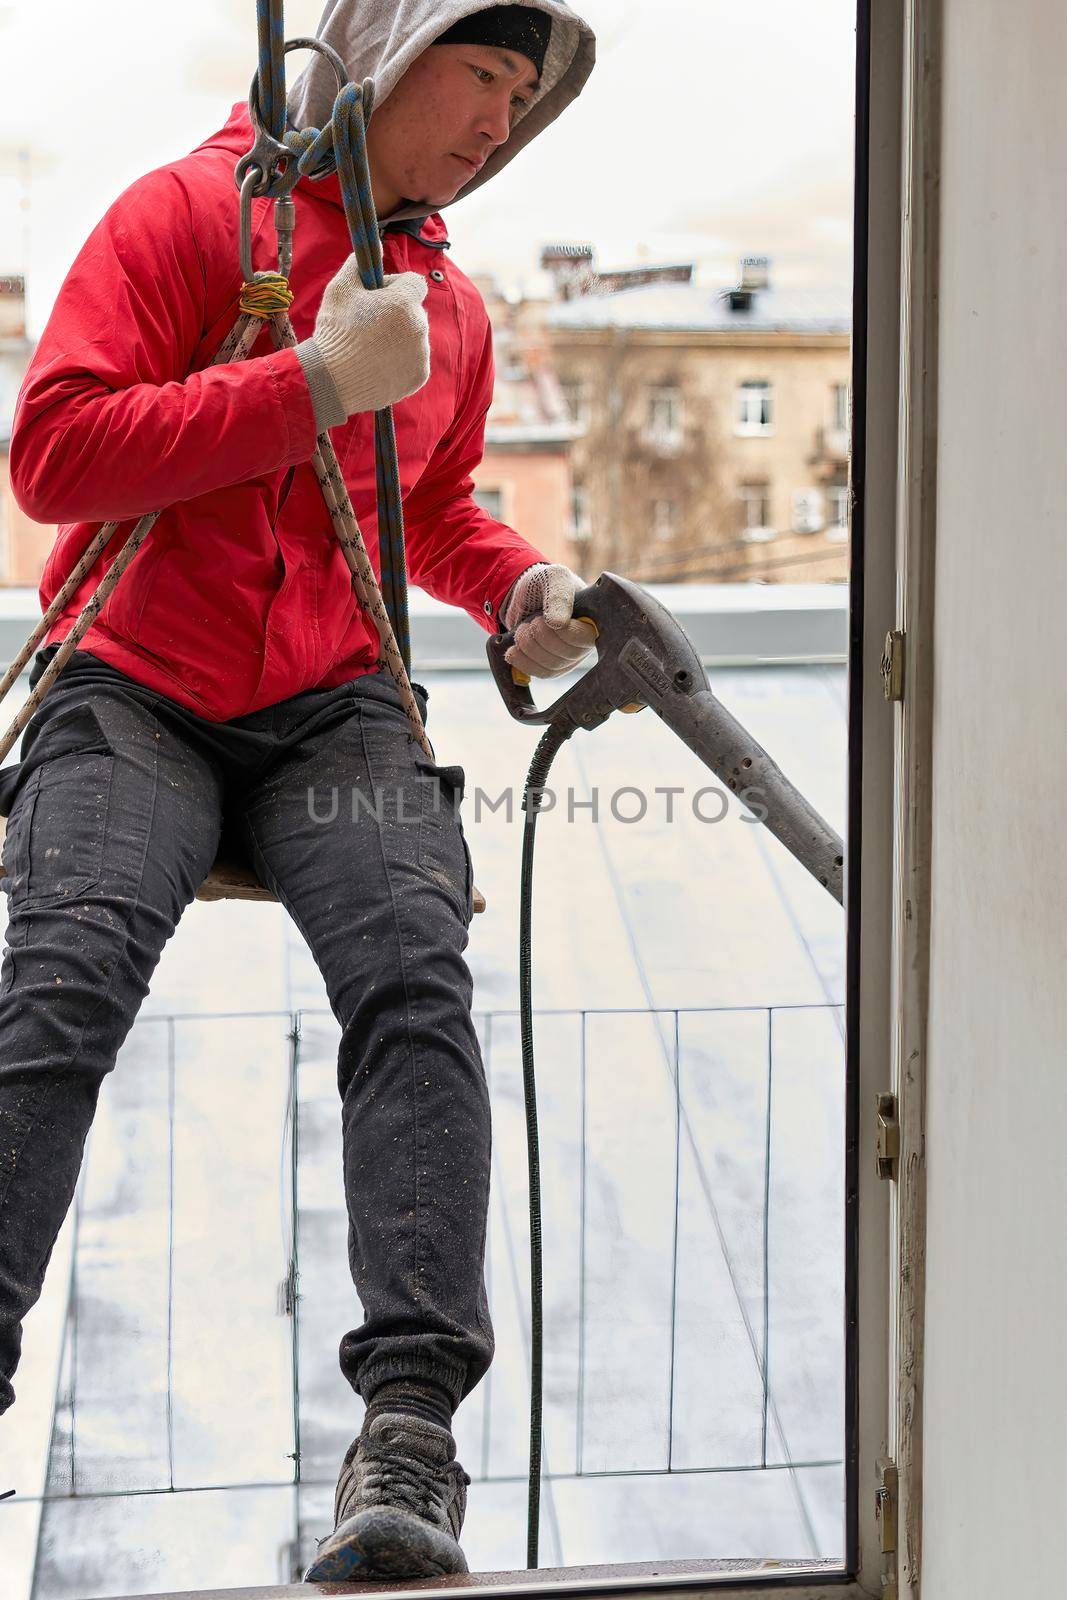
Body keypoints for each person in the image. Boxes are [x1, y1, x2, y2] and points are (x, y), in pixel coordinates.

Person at [0, 1, 596, 1581]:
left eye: (524, 96)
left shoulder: (445, 309)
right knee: (66, 975)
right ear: (386, 66)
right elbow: (54, 457)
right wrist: (309, 383)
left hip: (334, 703)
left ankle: (409, 1442)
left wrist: (520, 585)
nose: (499, 120)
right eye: (482, 74)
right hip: (134, 682)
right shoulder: (188, 218)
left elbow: (436, 509)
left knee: (416, 984)